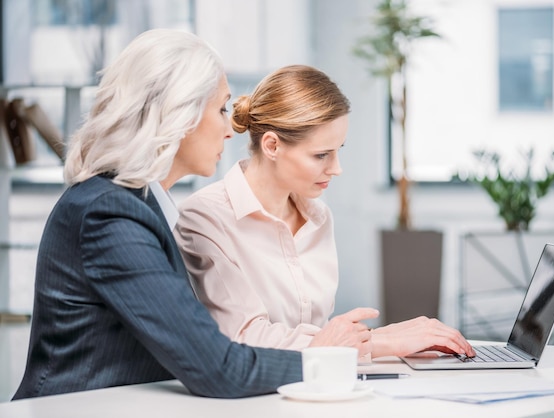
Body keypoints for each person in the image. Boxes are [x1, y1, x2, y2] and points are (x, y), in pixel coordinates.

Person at [12, 30, 377, 401]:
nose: (229, 130)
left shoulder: (146, 205)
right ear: (178, 114)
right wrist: (323, 356)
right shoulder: (109, 214)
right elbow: (217, 368)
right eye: (220, 109)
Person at [174, 65, 475, 359]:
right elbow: (244, 337)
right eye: (321, 155)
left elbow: (323, 340)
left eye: (338, 149)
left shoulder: (318, 218)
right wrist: (378, 341)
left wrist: (367, 344)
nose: (337, 168)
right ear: (272, 146)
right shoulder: (205, 218)